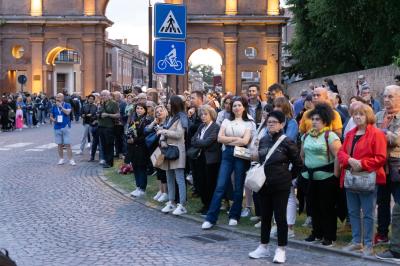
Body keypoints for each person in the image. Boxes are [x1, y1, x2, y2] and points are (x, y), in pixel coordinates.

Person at [248, 111, 302, 263]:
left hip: (281, 185)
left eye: (274, 122)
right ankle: (263, 246)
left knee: (280, 217)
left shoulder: (287, 142)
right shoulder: (264, 140)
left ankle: (281, 249)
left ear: (282, 124)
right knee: (265, 216)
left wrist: (288, 177)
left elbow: (298, 164)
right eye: (268, 121)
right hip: (263, 184)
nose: (270, 124)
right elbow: (260, 159)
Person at [337, 103, 387, 256]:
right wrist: (350, 160)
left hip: (367, 178)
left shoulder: (376, 133)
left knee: (368, 213)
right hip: (351, 177)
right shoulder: (351, 133)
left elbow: (381, 157)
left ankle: (368, 244)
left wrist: (362, 164)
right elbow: (341, 152)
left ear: (368, 116)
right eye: (355, 114)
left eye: (361, 114)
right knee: (352, 211)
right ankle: (356, 241)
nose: (357, 117)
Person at [202, 96, 255, 229]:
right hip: (227, 154)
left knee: (238, 186)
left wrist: (229, 139)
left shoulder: (249, 123)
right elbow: (220, 138)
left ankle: (234, 215)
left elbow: (245, 141)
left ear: (244, 107)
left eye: (239, 105)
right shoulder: (226, 120)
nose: (236, 108)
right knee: (220, 185)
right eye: (234, 106)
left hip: (241, 154)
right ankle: (211, 218)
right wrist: (237, 138)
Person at [301, 103, 342, 246]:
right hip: (309, 177)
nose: (314, 122)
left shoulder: (330, 136)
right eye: (313, 119)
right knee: (313, 207)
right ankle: (316, 233)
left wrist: (335, 175)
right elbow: (302, 154)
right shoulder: (306, 136)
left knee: (327, 207)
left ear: (324, 120)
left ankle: (329, 235)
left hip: (327, 178)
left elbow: (338, 156)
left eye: (317, 119)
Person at [374, 85, 400, 245]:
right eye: (384, 96)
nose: (386, 100)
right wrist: (384, 135)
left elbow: (396, 140)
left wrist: (378, 134)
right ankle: (382, 234)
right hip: (380, 164)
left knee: (398, 203)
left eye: (390, 96)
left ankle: (397, 239)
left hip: (397, 164)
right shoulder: (378, 115)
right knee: (381, 201)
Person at [158, 96, 189, 216]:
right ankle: (171, 201)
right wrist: (162, 140)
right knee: (169, 176)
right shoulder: (170, 117)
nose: (168, 105)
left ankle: (182, 204)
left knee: (179, 178)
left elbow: (179, 134)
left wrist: (163, 132)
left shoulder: (182, 117)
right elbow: (164, 129)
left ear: (175, 104)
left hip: (177, 151)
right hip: (167, 150)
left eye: (170, 103)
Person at [191, 105, 221, 215]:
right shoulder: (201, 127)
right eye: (201, 114)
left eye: (205, 114)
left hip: (211, 159)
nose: (203, 117)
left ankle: (210, 206)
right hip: (200, 157)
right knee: (201, 182)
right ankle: (205, 204)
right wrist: (200, 141)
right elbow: (193, 140)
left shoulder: (216, 127)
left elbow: (207, 142)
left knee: (210, 183)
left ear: (211, 115)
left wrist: (199, 141)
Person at [127, 103, 153, 198]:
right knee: (135, 167)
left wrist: (135, 140)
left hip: (142, 147)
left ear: (145, 110)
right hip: (133, 147)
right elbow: (130, 130)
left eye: (141, 108)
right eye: (137, 108)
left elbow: (146, 135)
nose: (139, 110)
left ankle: (142, 188)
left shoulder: (147, 120)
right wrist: (129, 137)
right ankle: (138, 186)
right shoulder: (134, 119)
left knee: (141, 167)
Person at [146, 105, 169, 203]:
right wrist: (153, 123)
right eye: (157, 111)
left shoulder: (168, 122)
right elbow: (146, 130)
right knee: (158, 171)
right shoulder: (155, 122)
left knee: (163, 171)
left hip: (163, 149)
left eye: (161, 111)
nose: (159, 113)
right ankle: (160, 190)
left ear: (165, 112)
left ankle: (165, 193)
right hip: (154, 148)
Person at [50, 93, 75, 166]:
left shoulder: (67, 105)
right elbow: (51, 116)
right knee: (59, 144)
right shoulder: (54, 106)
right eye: (57, 97)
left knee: (67, 144)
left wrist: (61, 107)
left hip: (65, 126)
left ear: (63, 98)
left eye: (59, 97)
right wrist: (53, 120)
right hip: (57, 127)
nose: (57, 98)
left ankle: (71, 159)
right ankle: (61, 159)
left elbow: (67, 113)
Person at [97, 90, 120, 168]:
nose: (103, 97)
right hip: (101, 126)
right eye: (102, 95)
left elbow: (118, 115)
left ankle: (110, 163)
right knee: (103, 145)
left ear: (109, 95)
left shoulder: (113, 103)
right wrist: (99, 115)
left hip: (109, 127)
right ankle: (106, 161)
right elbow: (99, 113)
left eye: (104, 95)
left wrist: (108, 115)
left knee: (109, 145)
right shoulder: (101, 103)